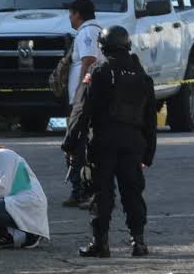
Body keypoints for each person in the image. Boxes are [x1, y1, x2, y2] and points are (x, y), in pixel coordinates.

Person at [62, 25, 157, 258]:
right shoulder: (142, 76)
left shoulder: (98, 71)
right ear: (127, 45)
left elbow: (81, 110)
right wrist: (148, 153)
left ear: (103, 47)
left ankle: (100, 244)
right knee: (133, 193)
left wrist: (70, 144)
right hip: (133, 144)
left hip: (104, 143)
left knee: (102, 194)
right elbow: (150, 119)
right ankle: (139, 243)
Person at [63, 0, 104, 208]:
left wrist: (80, 91)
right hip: (91, 98)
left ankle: (79, 190)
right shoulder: (97, 30)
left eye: (71, 13)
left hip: (85, 100)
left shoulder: (87, 32)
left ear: (78, 14)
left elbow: (89, 60)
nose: (69, 18)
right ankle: (87, 189)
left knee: (76, 144)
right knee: (86, 144)